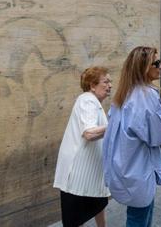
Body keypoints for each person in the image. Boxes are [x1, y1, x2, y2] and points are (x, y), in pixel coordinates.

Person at [103, 46, 161, 227]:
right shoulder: (145, 95)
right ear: (143, 67)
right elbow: (160, 135)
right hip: (138, 168)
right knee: (140, 217)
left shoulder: (124, 93)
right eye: (156, 63)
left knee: (138, 213)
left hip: (124, 166)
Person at [54, 66, 113, 227]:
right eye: (106, 82)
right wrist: (116, 125)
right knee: (75, 216)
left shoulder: (94, 103)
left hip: (89, 172)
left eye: (110, 82)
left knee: (97, 200)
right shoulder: (87, 100)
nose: (110, 85)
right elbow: (89, 133)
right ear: (92, 85)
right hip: (78, 172)